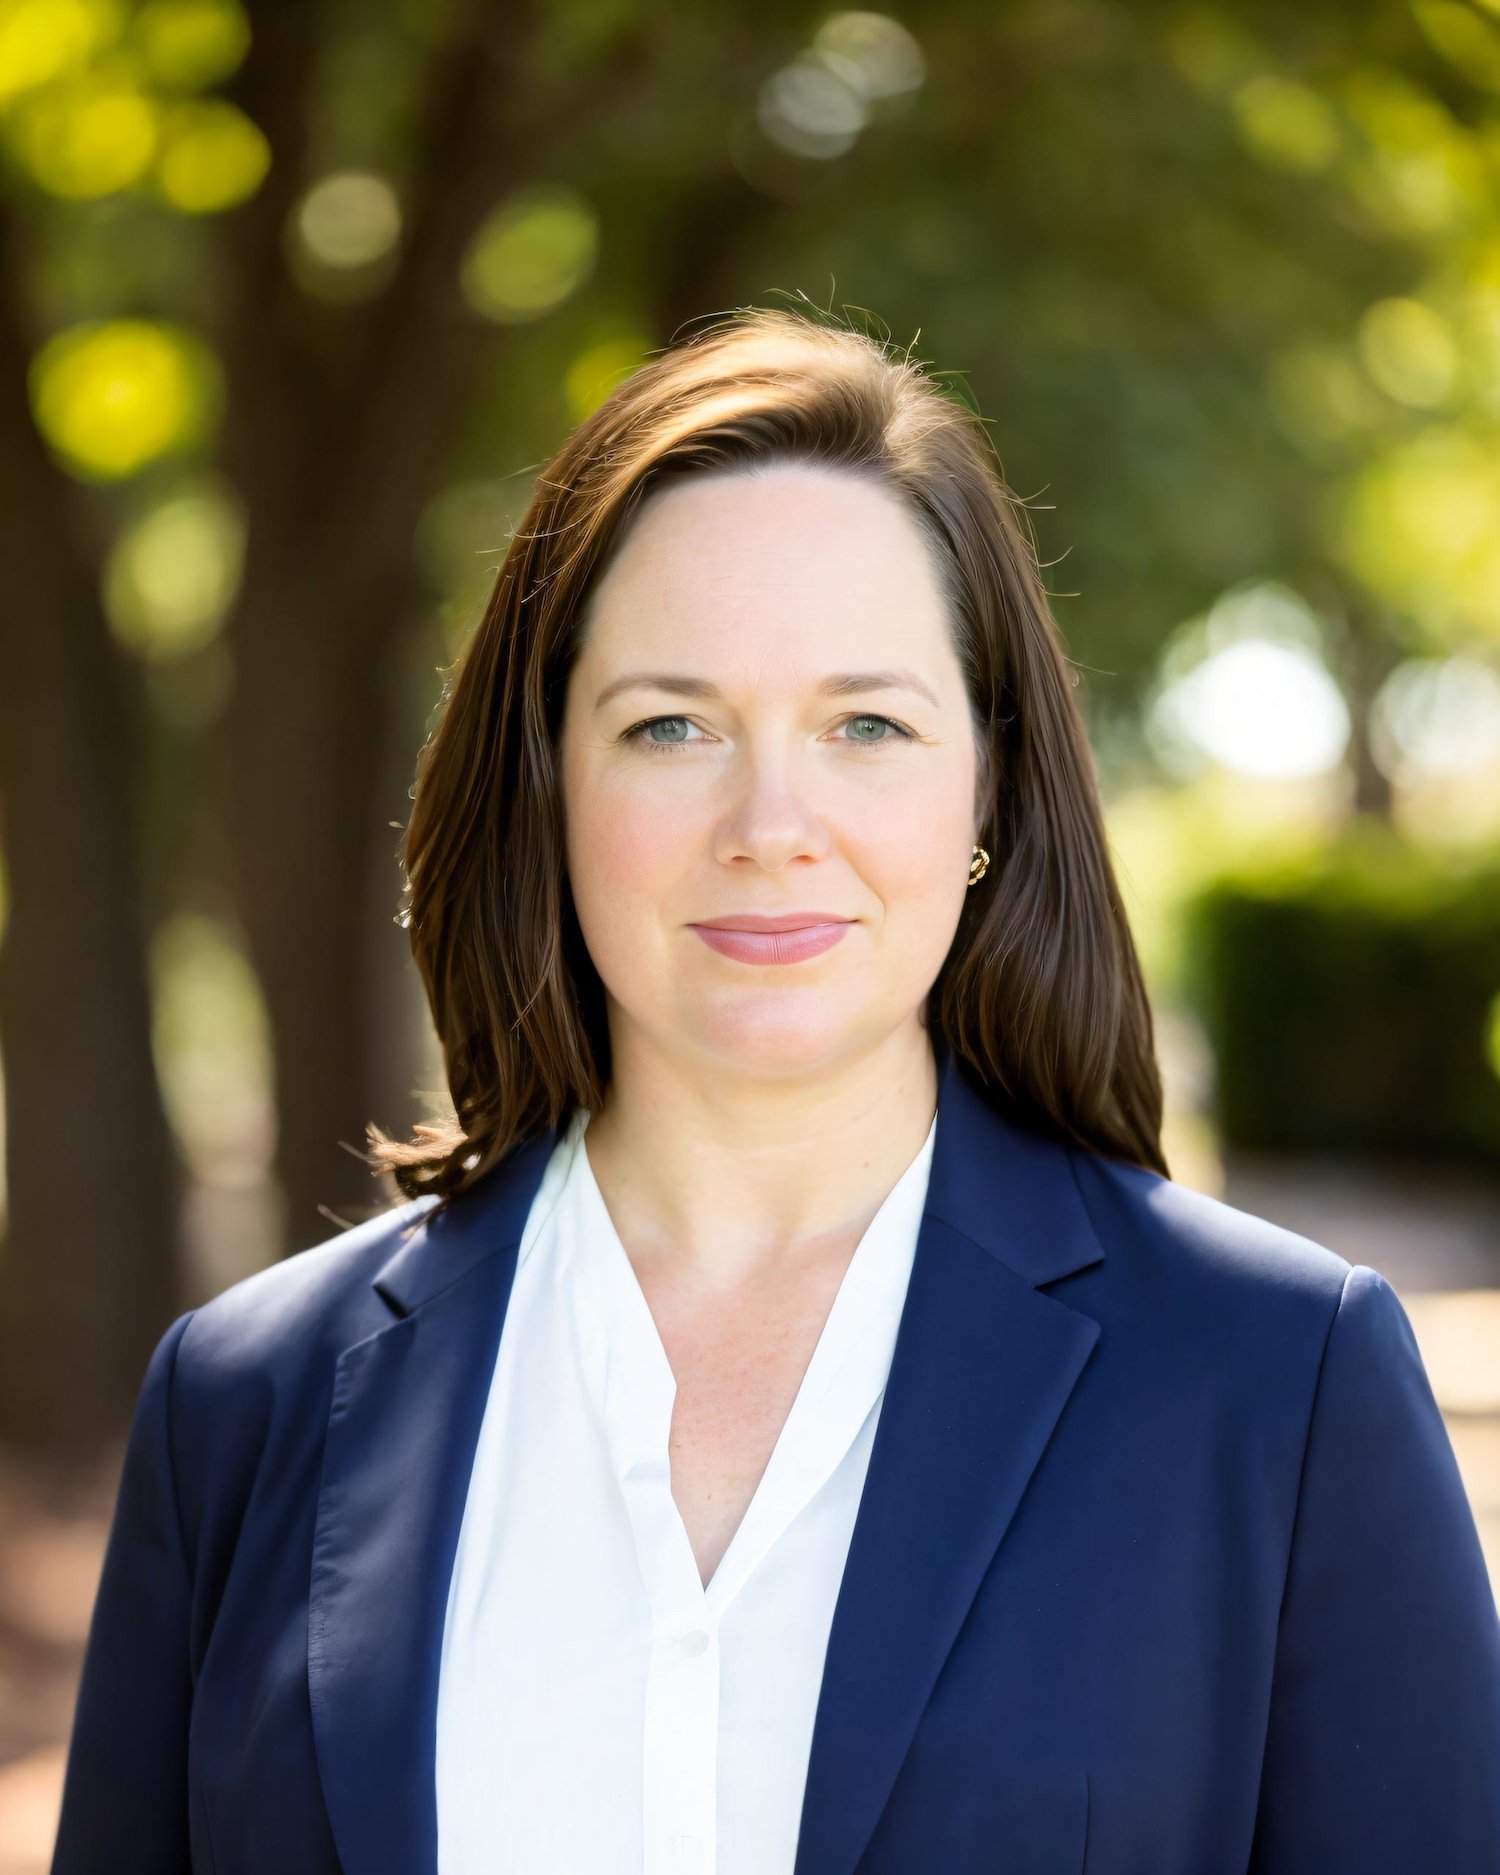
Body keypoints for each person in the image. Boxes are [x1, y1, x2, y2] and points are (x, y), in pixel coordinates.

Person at [51, 307, 1500, 1875]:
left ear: (988, 785)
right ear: (548, 779)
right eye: (670, 725)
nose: (771, 821)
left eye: (865, 724)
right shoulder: (248, 1403)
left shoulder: (1275, 1386)